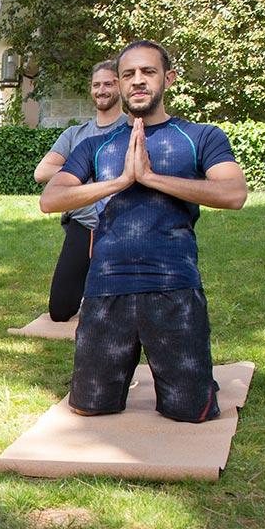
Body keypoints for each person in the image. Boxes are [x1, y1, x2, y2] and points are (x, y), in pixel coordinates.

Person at [41, 40, 246, 423]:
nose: (138, 81)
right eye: (128, 74)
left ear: (167, 79)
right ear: (118, 84)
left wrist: (151, 177)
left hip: (173, 287)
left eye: (147, 72)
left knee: (192, 412)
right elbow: (51, 199)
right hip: (107, 289)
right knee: (88, 406)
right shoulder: (95, 145)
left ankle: (197, 379)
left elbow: (234, 193)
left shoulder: (201, 136)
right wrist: (120, 181)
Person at [33, 60, 130, 322]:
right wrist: (84, 171)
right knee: (60, 311)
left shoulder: (132, 130)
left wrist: (74, 175)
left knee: (116, 314)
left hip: (122, 225)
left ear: (120, 86)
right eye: (96, 84)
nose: (102, 90)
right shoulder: (77, 134)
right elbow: (41, 172)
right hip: (83, 224)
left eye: (109, 83)